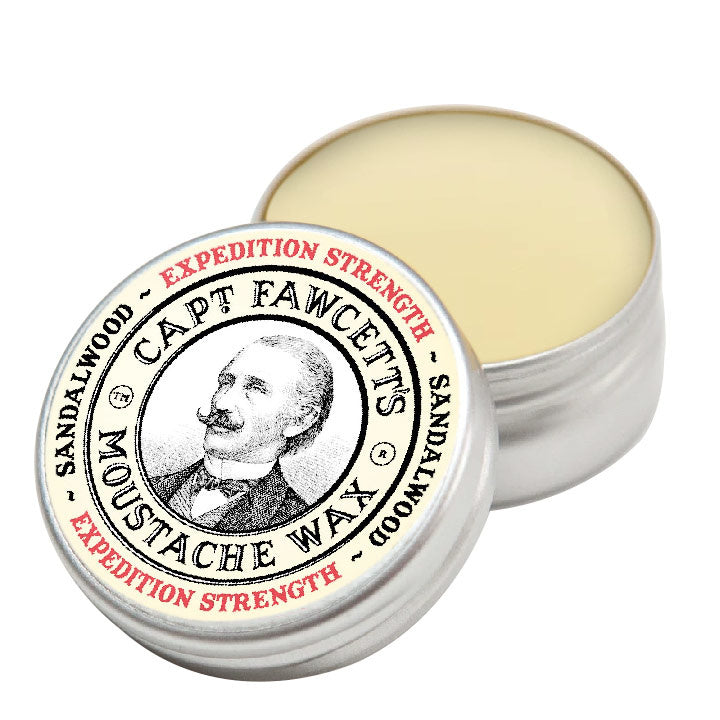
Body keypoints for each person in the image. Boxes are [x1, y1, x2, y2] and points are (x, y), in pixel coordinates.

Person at [149, 334, 333, 532]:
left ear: (300, 420)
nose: (221, 403)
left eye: (255, 388)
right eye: (226, 383)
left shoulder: (296, 521)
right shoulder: (152, 489)